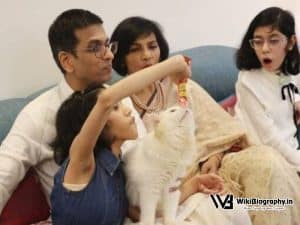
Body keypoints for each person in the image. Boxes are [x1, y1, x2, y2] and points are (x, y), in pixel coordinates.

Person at [111, 16, 300, 225]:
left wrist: (214, 158)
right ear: (121, 57)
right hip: (177, 191)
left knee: (267, 161)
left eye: (152, 46)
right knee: (229, 210)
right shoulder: (118, 104)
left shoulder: (182, 86)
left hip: (216, 171)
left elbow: (223, 131)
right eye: (135, 49)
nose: (146, 55)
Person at [0, 9, 143, 215]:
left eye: (108, 44)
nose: (110, 55)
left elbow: (145, 153)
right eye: (96, 48)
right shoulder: (37, 115)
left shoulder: (118, 96)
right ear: (67, 61)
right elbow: (4, 175)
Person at [50, 50, 198, 224]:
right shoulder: (82, 163)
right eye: (115, 108)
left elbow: (142, 212)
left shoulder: (120, 167)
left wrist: (195, 185)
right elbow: (105, 99)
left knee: (222, 207)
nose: (128, 110)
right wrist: (175, 64)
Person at [235, 7, 300, 166]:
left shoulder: (292, 71)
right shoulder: (247, 81)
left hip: (291, 150)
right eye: (258, 41)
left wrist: (297, 101)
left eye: (273, 40)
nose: (264, 49)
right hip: (262, 157)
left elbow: (292, 88)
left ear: (291, 43)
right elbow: (269, 139)